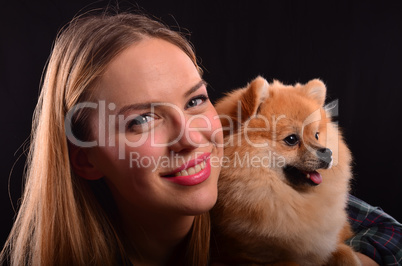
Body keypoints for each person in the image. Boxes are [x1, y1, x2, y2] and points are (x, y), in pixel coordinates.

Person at [1, 11, 401, 265]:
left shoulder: (277, 205)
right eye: (142, 120)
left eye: (195, 100)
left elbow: (386, 233)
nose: (191, 138)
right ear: (86, 159)